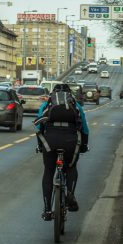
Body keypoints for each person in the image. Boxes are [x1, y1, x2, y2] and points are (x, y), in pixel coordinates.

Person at [35, 83, 89, 221]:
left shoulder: (46, 104)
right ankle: (70, 193)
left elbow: (39, 125)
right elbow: (84, 128)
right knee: (71, 167)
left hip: (50, 141)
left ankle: (47, 209)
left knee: (48, 171)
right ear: (69, 95)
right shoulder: (76, 105)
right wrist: (83, 145)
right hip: (71, 141)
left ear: (53, 94)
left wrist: (41, 145)